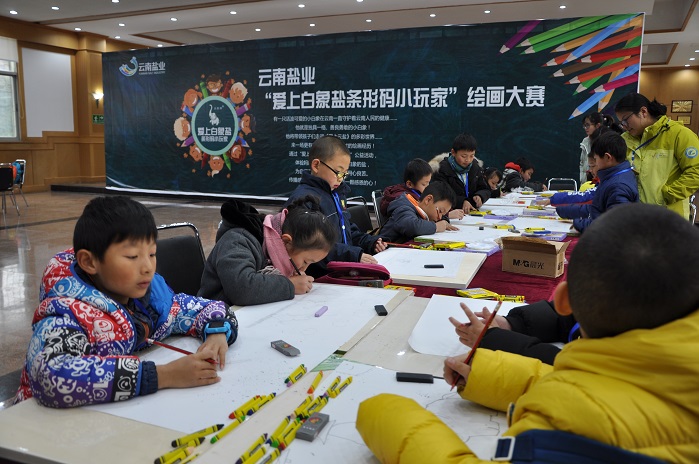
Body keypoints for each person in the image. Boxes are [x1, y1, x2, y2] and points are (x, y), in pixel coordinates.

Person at [357, 203, 699, 463]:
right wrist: (489, 374)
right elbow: (617, 393)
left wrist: (384, 415)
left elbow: (586, 406)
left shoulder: (554, 435)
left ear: (563, 300)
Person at [15, 196, 238, 408]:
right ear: (89, 262)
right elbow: (50, 374)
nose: (148, 267)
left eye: (152, 254)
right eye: (132, 257)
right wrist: (163, 375)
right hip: (43, 426)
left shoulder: (151, 300)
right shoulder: (68, 313)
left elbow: (207, 307)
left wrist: (217, 332)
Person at [198, 196, 337, 306]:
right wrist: (290, 285)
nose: (304, 268)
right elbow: (241, 289)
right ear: (286, 241)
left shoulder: (275, 247)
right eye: (306, 261)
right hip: (215, 319)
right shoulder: (238, 241)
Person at [285, 135, 386, 276]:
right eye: (338, 172)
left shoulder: (336, 194)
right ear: (316, 165)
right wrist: (353, 255)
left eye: (344, 174)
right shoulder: (303, 200)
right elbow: (313, 246)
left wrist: (369, 242)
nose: (341, 179)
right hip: (320, 276)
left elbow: (347, 231)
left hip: (342, 269)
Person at [615, 92, 699, 219]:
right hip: (635, 216)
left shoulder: (679, 134)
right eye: (621, 123)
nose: (624, 126)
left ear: (643, 111)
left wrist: (666, 195)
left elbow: (695, 171)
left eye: (626, 120)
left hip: (669, 217)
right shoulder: (625, 139)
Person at [379, 181, 458, 243]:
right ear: (428, 200)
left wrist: (444, 221)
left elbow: (442, 219)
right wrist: (436, 227)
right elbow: (412, 226)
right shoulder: (404, 207)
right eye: (440, 211)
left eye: (443, 214)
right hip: (386, 252)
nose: (439, 217)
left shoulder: (423, 210)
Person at [432, 133, 491, 214]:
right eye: (463, 156)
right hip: (451, 214)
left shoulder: (475, 167)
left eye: (472, 156)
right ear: (453, 152)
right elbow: (442, 194)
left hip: (471, 212)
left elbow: (485, 189)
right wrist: (462, 201)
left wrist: (480, 196)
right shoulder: (442, 170)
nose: (468, 160)